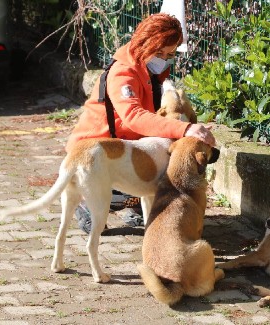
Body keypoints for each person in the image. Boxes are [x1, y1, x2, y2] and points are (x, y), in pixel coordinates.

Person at [67, 13, 216, 233]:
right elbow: (134, 116)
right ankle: (86, 202)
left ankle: (131, 204)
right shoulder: (123, 72)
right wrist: (186, 128)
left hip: (128, 146)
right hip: (94, 151)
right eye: (160, 52)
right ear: (144, 43)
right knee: (154, 177)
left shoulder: (148, 68)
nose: (165, 59)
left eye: (170, 54)